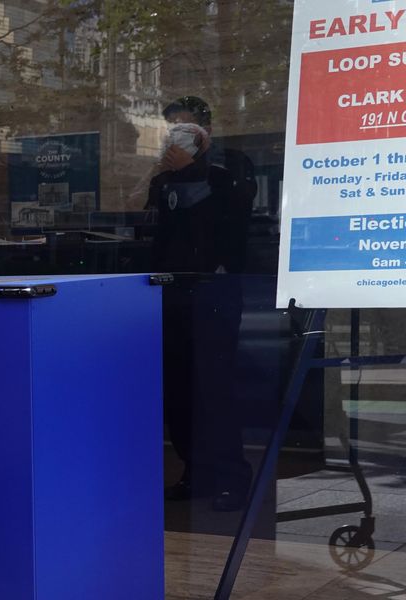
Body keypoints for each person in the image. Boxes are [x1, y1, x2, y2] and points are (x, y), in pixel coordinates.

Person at [147, 96, 257, 513]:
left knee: (213, 387)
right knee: (178, 389)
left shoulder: (231, 166)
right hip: (171, 291)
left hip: (215, 289)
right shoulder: (165, 176)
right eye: (171, 127)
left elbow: (229, 223)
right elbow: (160, 232)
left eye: (185, 127)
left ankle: (231, 478)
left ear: (205, 129)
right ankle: (195, 472)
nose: (177, 135)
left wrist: (191, 170)